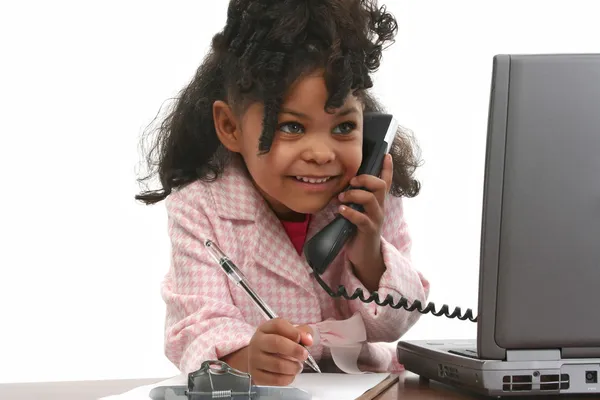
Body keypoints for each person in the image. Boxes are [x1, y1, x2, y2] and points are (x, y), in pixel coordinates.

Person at [136, 0, 430, 387]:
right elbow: (196, 324)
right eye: (291, 127)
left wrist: (369, 251)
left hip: (364, 385)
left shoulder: (370, 194)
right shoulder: (200, 206)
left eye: (343, 127)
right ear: (230, 127)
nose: (322, 154)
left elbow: (394, 322)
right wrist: (245, 357)